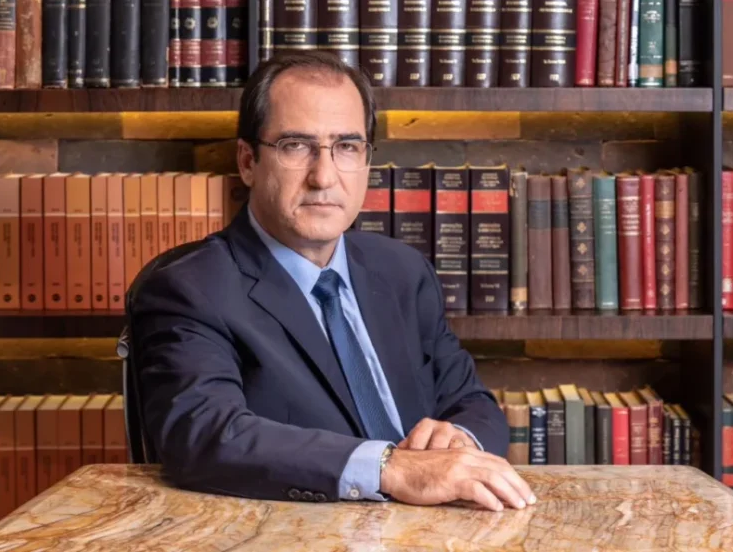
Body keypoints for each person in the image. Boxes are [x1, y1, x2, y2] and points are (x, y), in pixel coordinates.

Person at [130, 50, 535, 512]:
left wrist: (459, 438)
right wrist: (391, 469)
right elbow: (205, 435)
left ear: (366, 160)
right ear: (247, 162)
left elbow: (473, 403)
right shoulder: (190, 288)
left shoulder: (402, 271)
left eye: (346, 146)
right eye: (295, 146)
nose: (323, 177)